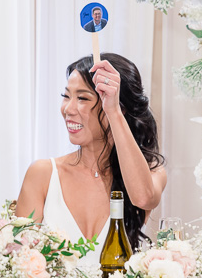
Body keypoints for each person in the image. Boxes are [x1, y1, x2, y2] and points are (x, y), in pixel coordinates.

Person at [16, 53, 165, 258]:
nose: (68, 109)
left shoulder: (151, 172)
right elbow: (18, 263)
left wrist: (112, 111)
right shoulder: (42, 174)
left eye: (83, 98)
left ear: (121, 107)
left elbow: (143, 197)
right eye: (66, 96)